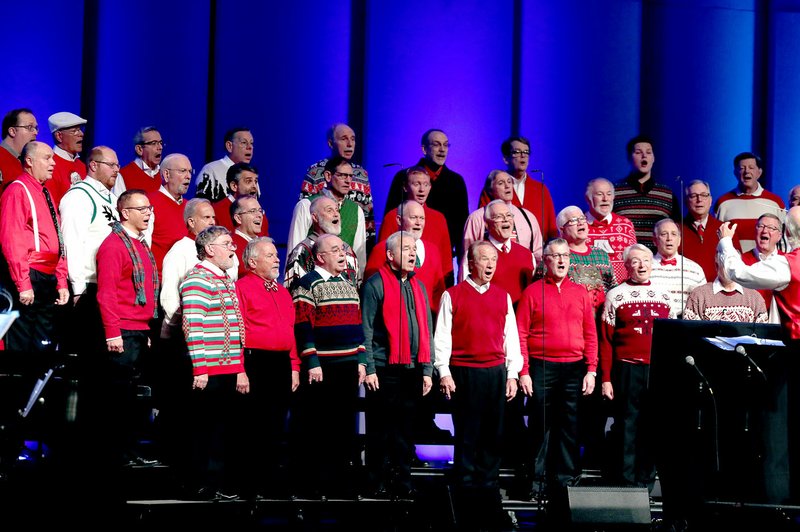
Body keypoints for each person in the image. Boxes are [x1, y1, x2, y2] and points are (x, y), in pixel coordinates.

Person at [434, 240, 522, 531]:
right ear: (471, 263)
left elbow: (511, 337)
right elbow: (442, 337)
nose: (489, 265)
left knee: (493, 435)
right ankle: (466, 496)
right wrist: (444, 372)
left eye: (493, 260)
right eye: (484, 260)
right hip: (465, 373)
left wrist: (512, 373)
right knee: (468, 436)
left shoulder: (502, 296)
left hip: (495, 373)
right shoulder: (453, 295)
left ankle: (488, 494)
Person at [516, 238, 598, 519]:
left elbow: (590, 333)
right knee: (540, 426)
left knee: (570, 428)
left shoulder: (581, 293)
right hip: (542, 367)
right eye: (555, 256)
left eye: (565, 256)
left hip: (574, 368)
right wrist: (524, 371)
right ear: (545, 261)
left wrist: (591, 369)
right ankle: (536, 483)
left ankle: (566, 483)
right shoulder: (532, 292)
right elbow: (521, 334)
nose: (562, 260)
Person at [291, 233, 367, 499]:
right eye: (335, 250)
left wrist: (361, 360)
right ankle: (316, 485)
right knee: (320, 428)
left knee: (343, 427)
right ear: (321, 257)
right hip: (323, 367)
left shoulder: (348, 283)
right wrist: (311, 361)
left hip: (348, 366)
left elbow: (358, 326)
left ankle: (340, 484)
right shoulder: (307, 285)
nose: (342, 254)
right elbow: (302, 326)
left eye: (343, 249)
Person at [361, 230, 434, 499]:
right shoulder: (375, 284)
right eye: (406, 249)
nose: (413, 253)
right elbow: (365, 330)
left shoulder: (418, 286)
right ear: (390, 255)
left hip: (412, 370)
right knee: (379, 432)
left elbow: (427, 327)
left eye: (414, 248)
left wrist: (427, 369)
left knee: (405, 432)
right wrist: (368, 367)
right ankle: (375, 483)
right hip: (383, 369)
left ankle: (403, 482)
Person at [93, 189, 161, 469]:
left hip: (138, 330)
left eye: (149, 208)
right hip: (122, 330)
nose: (148, 213)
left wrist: (144, 331)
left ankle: (131, 451)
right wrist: (113, 332)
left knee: (134, 397)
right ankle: (115, 455)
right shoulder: (113, 246)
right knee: (119, 398)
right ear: (125, 213)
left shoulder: (140, 244)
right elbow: (106, 294)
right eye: (141, 208)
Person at [180, 225, 247, 500]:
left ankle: (217, 483)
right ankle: (200, 486)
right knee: (204, 430)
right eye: (227, 243)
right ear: (209, 250)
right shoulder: (198, 279)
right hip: (209, 371)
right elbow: (192, 326)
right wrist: (200, 368)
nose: (233, 248)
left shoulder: (224, 279)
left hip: (228, 368)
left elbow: (237, 327)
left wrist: (240, 368)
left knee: (221, 430)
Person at [600, 244, 674, 490]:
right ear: (626, 267)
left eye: (645, 260)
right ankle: (626, 481)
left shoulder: (665, 296)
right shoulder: (616, 295)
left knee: (652, 425)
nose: (641, 265)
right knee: (627, 424)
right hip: (626, 369)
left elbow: (672, 338)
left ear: (652, 264)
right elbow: (606, 341)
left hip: (657, 371)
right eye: (635, 261)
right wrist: (606, 378)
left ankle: (646, 481)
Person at [235, 237, 300, 498]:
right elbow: (238, 333)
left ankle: (273, 481)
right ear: (253, 262)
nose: (277, 259)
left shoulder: (282, 291)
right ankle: (251, 484)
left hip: (281, 363)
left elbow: (290, 330)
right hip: (255, 362)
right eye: (270, 255)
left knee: (276, 425)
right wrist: (240, 369)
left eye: (276, 254)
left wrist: (294, 365)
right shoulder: (242, 287)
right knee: (254, 427)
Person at [0, 141, 69, 352]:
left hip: (47, 277)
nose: (53, 163)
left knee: (43, 344)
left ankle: (39, 385)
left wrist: (61, 279)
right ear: (29, 161)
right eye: (47, 158)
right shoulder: (17, 190)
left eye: (53, 158)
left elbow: (57, 239)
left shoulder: (46, 193)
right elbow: (12, 239)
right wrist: (23, 283)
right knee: (22, 345)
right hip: (30, 274)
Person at [59, 146, 120, 355]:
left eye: (118, 165)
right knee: (85, 351)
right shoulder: (79, 196)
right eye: (111, 165)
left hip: (108, 286)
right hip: (87, 287)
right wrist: (78, 289)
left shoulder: (113, 200)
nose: (116, 170)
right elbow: (72, 243)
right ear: (93, 165)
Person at [385, 129, 469, 262]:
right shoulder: (403, 177)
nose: (442, 150)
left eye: (446, 145)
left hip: (441, 257)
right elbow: (391, 216)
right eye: (436, 144)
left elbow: (461, 226)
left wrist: (462, 262)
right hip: (404, 256)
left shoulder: (456, 182)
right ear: (424, 149)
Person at [300, 123, 374, 250]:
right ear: (330, 143)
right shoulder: (315, 172)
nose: (350, 144)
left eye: (353, 139)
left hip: (351, 243)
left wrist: (368, 248)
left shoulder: (361, 174)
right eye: (344, 139)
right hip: (321, 247)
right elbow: (304, 214)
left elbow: (368, 217)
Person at [287, 156, 366, 274]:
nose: (348, 181)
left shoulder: (356, 210)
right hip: (312, 280)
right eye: (342, 175)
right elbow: (294, 252)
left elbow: (360, 256)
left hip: (345, 284)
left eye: (350, 176)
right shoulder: (306, 205)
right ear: (328, 176)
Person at [365, 200, 446, 313]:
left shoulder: (433, 251)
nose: (418, 223)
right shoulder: (381, 250)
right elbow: (370, 291)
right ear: (398, 220)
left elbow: (439, 292)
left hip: (427, 323)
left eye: (422, 218)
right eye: (413, 217)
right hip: (393, 320)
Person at [378, 167, 454, 286]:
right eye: (416, 184)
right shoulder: (393, 216)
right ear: (405, 187)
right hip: (398, 286)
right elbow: (382, 255)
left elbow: (446, 263)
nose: (421, 189)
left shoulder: (439, 219)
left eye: (425, 184)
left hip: (430, 291)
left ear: (430, 187)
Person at [478, 136, 557, 240]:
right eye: (517, 152)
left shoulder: (540, 189)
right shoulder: (494, 187)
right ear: (506, 159)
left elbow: (552, 229)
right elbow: (482, 224)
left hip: (537, 251)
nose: (523, 156)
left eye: (526, 152)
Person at [613, 135, 680, 252]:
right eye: (638, 152)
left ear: (653, 158)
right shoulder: (614, 192)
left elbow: (677, 231)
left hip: (657, 263)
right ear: (629, 157)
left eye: (649, 152)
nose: (644, 156)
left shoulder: (667, 194)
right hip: (626, 262)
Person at [461, 200, 534, 307]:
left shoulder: (527, 254)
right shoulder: (475, 253)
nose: (505, 220)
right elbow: (465, 292)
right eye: (499, 217)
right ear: (486, 224)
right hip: (487, 317)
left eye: (509, 215)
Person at [464, 169, 543, 266]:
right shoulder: (476, 218)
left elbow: (538, 255)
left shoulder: (528, 217)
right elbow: (467, 258)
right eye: (501, 183)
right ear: (490, 190)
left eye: (509, 182)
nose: (507, 186)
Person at [715, 151, 785, 253]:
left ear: (759, 172)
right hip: (733, 264)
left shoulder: (775, 202)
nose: (747, 171)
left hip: (767, 265)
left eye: (751, 167)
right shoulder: (723, 202)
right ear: (735, 173)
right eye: (742, 168)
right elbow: (717, 238)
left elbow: (784, 239)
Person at [284, 196, 359, 290]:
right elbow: (293, 291)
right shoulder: (303, 251)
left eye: (337, 210)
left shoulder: (347, 250)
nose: (336, 214)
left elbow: (356, 289)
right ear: (315, 217)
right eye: (329, 210)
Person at [553, 205, 615, 310]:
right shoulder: (555, 257)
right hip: (572, 316)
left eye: (582, 218)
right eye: (573, 220)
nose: (580, 223)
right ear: (562, 230)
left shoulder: (601, 254)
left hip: (602, 317)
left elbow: (613, 287)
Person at [649, 218, 707, 318]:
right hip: (654, 323)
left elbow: (704, 302)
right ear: (654, 240)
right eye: (664, 234)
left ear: (679, 240)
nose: (669, 238)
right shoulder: (645, 267)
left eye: (674, 234)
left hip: (685, 325)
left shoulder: (695, 269)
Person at [683, 254, 767, 322]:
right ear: (716, 266)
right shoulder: (698, 296)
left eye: (733, 264)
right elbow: (690, 334)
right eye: (725, 264)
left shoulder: (755, 298)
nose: (729, 269)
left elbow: (762, 336)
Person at [584, 177, 637, 284]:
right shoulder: (578, 225)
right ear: (588, 198)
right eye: (599, 194)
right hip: (587, 293)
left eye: (609, 194)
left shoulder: (625, 225)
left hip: (620, 292)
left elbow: (634, 260)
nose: (605, 199)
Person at [146, 153, 191, 275]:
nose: (188, 176)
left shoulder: (191, 207)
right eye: (182, 171)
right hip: (159, 280)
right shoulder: (149, 203)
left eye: (190, 171)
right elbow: (143, 247)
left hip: (189, 281)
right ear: (166, 174)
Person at [193, 127, 254, 202]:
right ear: (229, 146)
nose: (249, 147)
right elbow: (200, 207)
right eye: (244, 143)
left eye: (251, 143)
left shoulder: (251, 174)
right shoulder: (211, 170)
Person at [680, 179, 724, 282]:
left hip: (719, 292)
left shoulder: (725, 229)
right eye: (693, 196)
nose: (699, 199)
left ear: (710, 200)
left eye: (704, 195)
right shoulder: (675, 231)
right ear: (686, 201)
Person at [46, 111, 88, 209]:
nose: (81, 134)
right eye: (75, 131)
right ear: (59, 136)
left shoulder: (82, 166)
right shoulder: (50, 165)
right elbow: (50, 206)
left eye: (80, 129)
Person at [212, 162, 268, 235]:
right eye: (248, 181)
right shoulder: (215, 212)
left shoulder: (259, 213)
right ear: (234, 186)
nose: (254, 186)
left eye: (256, 181)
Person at [112, 126, 163, 196]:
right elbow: (118, 205)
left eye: (160, 143)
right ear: (139, 149)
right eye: (154, 143)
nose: (160, 147)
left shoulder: (164, 174)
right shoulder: (123, 175)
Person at [0, 108, 38, 188]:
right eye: (29, 127)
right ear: (12, 131)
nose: (35, 132)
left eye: (36, 128)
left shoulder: (27, 162)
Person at [229, 194, 265, 278]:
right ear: (238, 218)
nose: (259, 215)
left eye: (260, 211)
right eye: (252, 211)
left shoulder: (264, 244)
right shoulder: (231, 246)